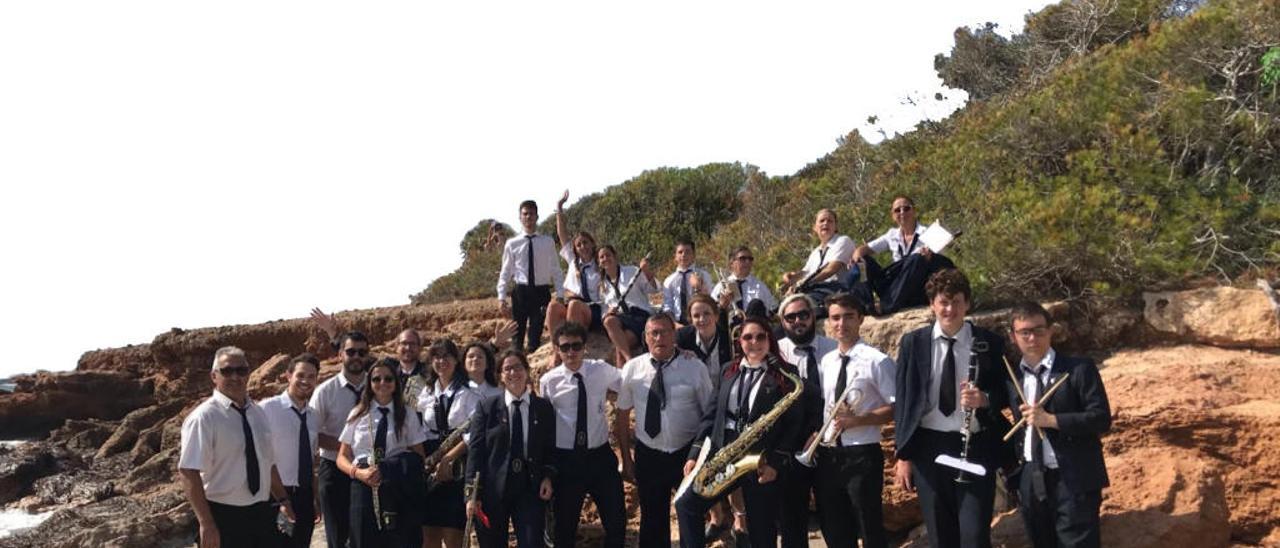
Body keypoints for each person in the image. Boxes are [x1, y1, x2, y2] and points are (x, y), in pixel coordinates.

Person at [893, 269, 1010, 548]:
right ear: (932, 304)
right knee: (940, 537)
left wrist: (984, 399)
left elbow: (1006, 392)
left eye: (957, 301)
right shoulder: (913, 343)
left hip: (975, 443)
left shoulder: (988, 343)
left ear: (967, 303)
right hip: (928, 446)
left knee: (974, 536)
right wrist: (903, 454)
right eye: (943, 302)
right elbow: (905, 401)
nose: (950, 309)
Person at [674, 316, 807, 548]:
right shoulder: (728, 370)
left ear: (769, 339)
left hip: (759, 460)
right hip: (724, 453)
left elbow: (794, 425)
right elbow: (711, 414)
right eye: (748, 337)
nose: (754, 342)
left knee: (761, 530)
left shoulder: (786, 374)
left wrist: (775, 463)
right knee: (686, 505)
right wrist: (694, 454)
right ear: (739, 341)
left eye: (760, 336)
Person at [1002, 302, 1111, 548]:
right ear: (1013, 336)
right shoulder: (1012, 378)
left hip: (1073, 475)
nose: (1032, 338)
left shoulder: (1078, 369)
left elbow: (1101, 418)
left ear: (1051, 331)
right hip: (1031, 477)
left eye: (1039, 330)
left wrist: (1051, 420)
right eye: (1024, 332)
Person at [615, 312, 715, 548]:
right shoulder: (632, 369)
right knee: (652, 519)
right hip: (649, 454)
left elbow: (709, 414)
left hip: (687, 455)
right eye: (654, 333)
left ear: (675, 336)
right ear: (645, 337)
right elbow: (621, 415)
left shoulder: (694, 367)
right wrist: (627, 459)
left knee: (691, 516)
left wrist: (704, 456)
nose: (660, 338)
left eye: (665, 332)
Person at [180, 346, 295, 548]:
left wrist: (284, 500)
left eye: (241, 371)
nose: (235, 377)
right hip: (224, 515)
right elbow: (189, 471)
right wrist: (206, 524)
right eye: (227, 371)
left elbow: (268, 463)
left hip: (262, 512)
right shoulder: (204, 418)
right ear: (214, 376)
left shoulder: (258, 414)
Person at [813, 294, 894, 548]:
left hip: (862, 454)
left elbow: (897, 407)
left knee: (869, 527)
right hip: (829, 456)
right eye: (835, 318)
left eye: (848, 317)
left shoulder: (877, 361)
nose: (841, 324)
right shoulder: (826, 361)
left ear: (860, 319)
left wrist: (859, 420)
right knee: (835, 528)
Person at [539, 322, 627, 548]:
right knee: (564, 528)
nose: (571, 352)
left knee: (616, 521)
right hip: (566, 462)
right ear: (557, 349)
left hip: (600, 457)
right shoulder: (549, 381)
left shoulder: (600, 370)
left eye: (576, 346)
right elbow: (546, 426)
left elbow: (630, 381)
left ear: (584, 347)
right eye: (565, 347)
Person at [465, 351, 557, 548]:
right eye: (507, 368)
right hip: (493, 490)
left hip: (529, 488)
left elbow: (550, 448)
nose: (513, 372)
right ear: (500, 375)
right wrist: (471, 495)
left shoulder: (543, 408)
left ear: (527, 371)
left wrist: (548, 476)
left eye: (518, 367)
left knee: (532, 542)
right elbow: (476, 451)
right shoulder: (487, 407)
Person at [338, 359, 429, 548]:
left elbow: (419, 456)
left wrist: (390, 469)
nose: (382, 383)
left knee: (398, 538)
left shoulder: (408, 414)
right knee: (364, 538)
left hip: (397, 483)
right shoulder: (358, 413)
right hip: (364, 482)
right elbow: (342, 457)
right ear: (369, 384)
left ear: (396, 383)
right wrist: (359, 473)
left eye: (388, 379)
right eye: (376, 379)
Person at [774, 293, 836, 547]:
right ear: (783, 322)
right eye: (790, 317)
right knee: (791, 520)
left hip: (831, 442)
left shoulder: (835, 348)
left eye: (803, 314)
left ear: (813, 316)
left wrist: (824, 431)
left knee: (835, 516)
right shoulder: (775, 353)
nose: (797, 321)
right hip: (792, 446)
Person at [309, 331, 372, 548]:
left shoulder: (378, 388)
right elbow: (313, 434)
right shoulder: (325, 392)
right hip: (334, 470)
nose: (356, 356)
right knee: (337, 536)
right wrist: (346, 448)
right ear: (340, 354)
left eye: (362, 352)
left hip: (369, 470)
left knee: (366, 535)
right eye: (351, 351)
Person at [418, 340, 483, 548]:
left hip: (457, 465)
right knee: (428, 534)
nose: (441, 361)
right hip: (429, 465)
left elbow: (474, 434)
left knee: (453, 534)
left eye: (446, 356)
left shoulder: (470, 393)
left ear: (456, 360)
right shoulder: (426, 393)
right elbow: (417, 428)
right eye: (436, 357)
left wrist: (447, 458)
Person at [848, 195, 956, 315]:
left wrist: (928, 258)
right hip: (894, 283)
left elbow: (942, 265)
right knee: (863, 261)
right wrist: (857, 255)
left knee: (917, 259)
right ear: (893, 216)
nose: (902, 212)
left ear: (914, 211)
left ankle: (888, 306)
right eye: (897, 210)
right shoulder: (891, 235)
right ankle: (865, 305)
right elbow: (866, 248)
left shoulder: (928, 233)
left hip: (916, 287)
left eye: (906, 208)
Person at [261, 353, 322, 548]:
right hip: (275, 495)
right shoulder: (268, 409)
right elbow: (261, 457)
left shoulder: (313, 416)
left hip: (304, 496)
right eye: (301, 375)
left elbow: (311, 460)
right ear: (288, 376)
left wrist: (314, 498)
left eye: (311, 377)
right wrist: (282, 500)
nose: (306, 381)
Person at [498, 199, 565, 352]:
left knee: (535, 337)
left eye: (531, 214)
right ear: (520, 217)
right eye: (525, 214)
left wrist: (560, 293)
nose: (528, 217)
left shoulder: (547, 242)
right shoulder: (512, 243)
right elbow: (506, 271)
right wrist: (501, 297)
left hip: (541, 292)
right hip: (521, 292)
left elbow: (556, 268)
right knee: (517, 337)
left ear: (537, 216)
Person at [545, 190, 604, 336]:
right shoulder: (573, 261)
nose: (583, 247)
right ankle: (557, 350)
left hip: (593, 309)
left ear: (592, 244)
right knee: (553, 306)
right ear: (575, 249)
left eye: (585, 243)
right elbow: (562, 235)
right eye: (579, 245)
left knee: (574, 305)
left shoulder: (600, 264)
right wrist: (559, 209)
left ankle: (573, 342)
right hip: (572, 305)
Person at [780, 209, 855, 311]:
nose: (825, 223)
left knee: (800, 305)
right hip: (814, 290)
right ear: (815, 227)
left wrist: (803, 285)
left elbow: (831, 269)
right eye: (822, 221)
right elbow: (805, 273)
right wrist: (792, 277)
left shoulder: (843, 241)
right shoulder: (815, 252)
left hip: (836, 290)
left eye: (830, 221)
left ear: (836, 226)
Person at [597, 244, 660, 364]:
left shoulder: (632, 271)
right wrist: (608, 312)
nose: (605, 259)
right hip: (622, 320)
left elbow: (654, 292)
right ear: (599, 262)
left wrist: (648, 273)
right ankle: (629, 361)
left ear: (615, 256)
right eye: (601, 257)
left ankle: (625, 366)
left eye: (608, 255)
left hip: (640, 316)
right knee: (608, 321)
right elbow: (603, 310)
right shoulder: (602, 286)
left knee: (619, 347)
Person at [677, 293, 732, 390]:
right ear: (691, 320)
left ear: (716, 316)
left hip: (723, 392)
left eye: (707, 313)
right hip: (694, 394)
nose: (702, 319)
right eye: (696, 316)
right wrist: (679, 352)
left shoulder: (728, 337)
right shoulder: (683, 336)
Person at [710, 246, 776, 322]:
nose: (747, 262)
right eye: (742, 259)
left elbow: (772, 310)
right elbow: (711, 312)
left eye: (750, 259)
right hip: (729, 330)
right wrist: (722, 305)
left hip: (754, 330)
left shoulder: (761, 287)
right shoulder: (721, 286)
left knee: (755, 304)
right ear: (732, 263)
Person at [661, 238, 713, 326]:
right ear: (675, 256)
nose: (684, 255)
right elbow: (667, 306)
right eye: (680, 252)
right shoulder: (669, 281)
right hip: (677, 323)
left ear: (693, 255)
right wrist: (674, 324)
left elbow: (710, 300)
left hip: (699, 321)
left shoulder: (703, 275)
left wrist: (698, 287)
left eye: (688, 252)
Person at [392, 329, 432, 414]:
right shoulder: (388, 375)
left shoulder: (429, 375)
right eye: (404, 343)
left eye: (412, 344)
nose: (408, 348)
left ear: (420, 348)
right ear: (396, 347)